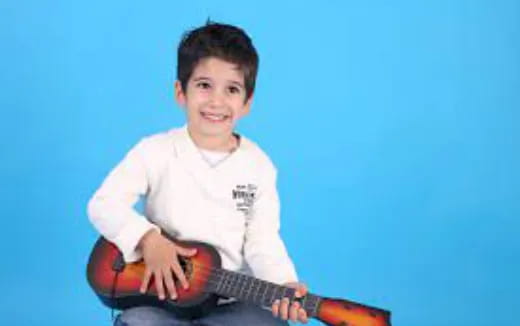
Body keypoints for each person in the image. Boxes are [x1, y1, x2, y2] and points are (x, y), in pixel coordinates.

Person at [88, 21, 308, 326]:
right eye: (204, 85)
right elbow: (103, 205)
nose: (216, 101)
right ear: (181, 92)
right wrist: (149, 240)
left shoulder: (258, 166)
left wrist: (283, 283)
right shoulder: (154, 151)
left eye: (231, 89)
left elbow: (263, 240)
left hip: (230, 301)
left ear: (247, 103)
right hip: (162, 298)